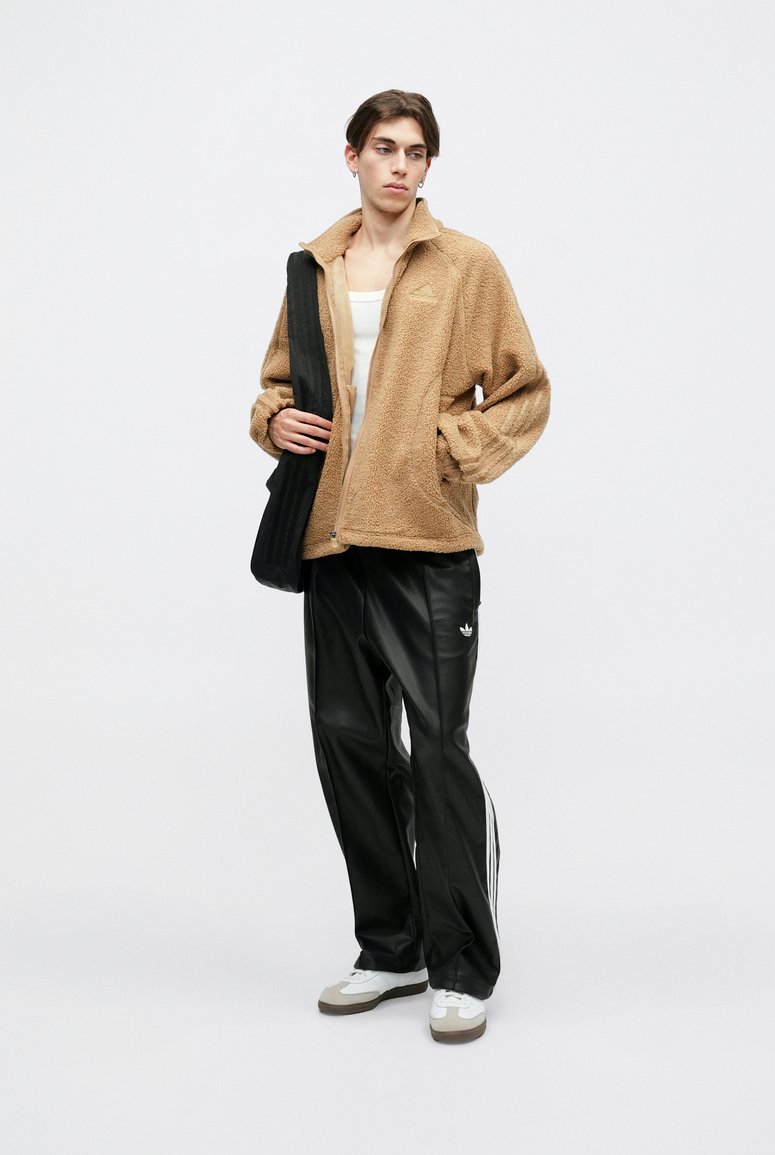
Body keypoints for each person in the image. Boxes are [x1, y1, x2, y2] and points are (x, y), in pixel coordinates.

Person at [250, 90, 550, 1043]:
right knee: (349, 746)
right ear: (353, 157)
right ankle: (391, 947)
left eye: (416, 153)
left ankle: (462, 962)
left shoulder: (466, 265)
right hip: (331, 541)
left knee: (438, 750)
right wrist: (272, 421)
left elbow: (524, 391)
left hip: (427, 546)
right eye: (384, 148)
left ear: (427, 166)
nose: (400, 166)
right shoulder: (313, 266)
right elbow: (274, 384)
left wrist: (449, 450)